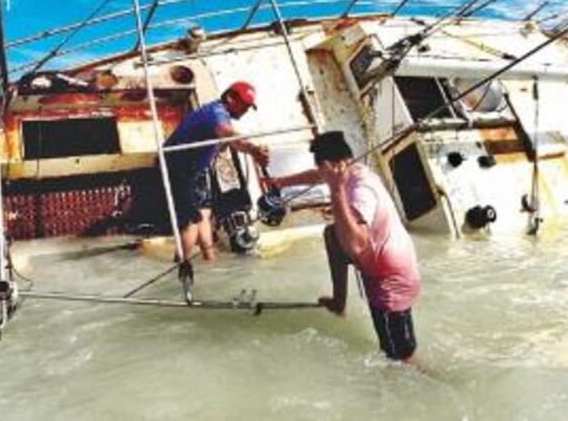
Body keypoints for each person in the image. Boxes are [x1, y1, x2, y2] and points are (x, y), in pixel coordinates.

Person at [267, 131, 421, 363]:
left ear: (338, 165)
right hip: (383, 259)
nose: (322, 175)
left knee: (398, 357)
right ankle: (339, 302)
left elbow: (356, 245)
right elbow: (317, 175)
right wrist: (282, 182)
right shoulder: (353, 169)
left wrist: (336, 190)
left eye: (325, 170)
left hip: (389, 276)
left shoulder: (362, 190)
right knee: (331, 234)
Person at [163, 81, 269, 262]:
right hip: (181, 169)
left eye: (249, 107)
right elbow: (227, 133)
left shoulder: (218, 114)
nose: (246, 110)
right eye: (244, 105)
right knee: (191, 222)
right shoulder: (216, 113)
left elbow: (223, 140)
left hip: (198, 169)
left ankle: (209, 260)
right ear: (230, 98)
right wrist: (252, 149)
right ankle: (180, 269)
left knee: (204, 215)